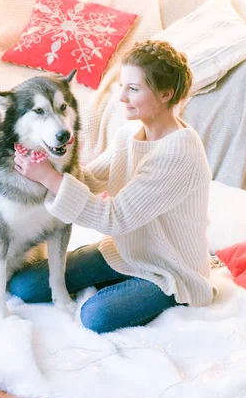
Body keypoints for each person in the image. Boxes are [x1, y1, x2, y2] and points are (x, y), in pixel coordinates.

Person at [11, 39, 215, 334]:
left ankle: (156, 293)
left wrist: (48, 177)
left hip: (171, 268)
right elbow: (92, 180)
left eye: (133, 88)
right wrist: (52, 161)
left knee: (95, 316)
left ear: (164, 94)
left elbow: (115, 218)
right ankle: (121, 277)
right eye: (122, 85)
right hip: (127, 251)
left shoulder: (178, 152)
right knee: (25, 286)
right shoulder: (130, 132)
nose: (121, 97)